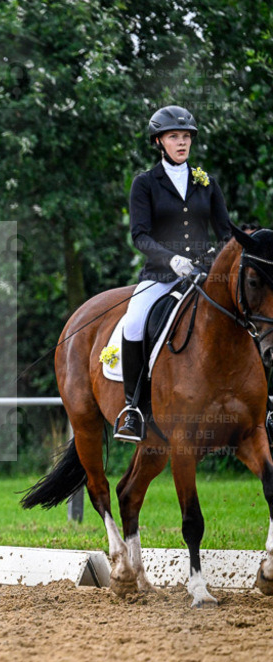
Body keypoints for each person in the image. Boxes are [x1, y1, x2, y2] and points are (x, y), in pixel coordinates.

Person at [115, 105, 232, 441]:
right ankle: (133, 409)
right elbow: (139, 235)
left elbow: (225, 233)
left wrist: (214, 259)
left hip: (204, 276)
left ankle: (262, 405)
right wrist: (170, 259)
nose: (182, 142)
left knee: (245, 315)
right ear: (159, 142)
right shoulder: (145, 183)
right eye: (173, 137)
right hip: (160, 275)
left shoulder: (206, 182)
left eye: (186, 137)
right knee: (134, 322)